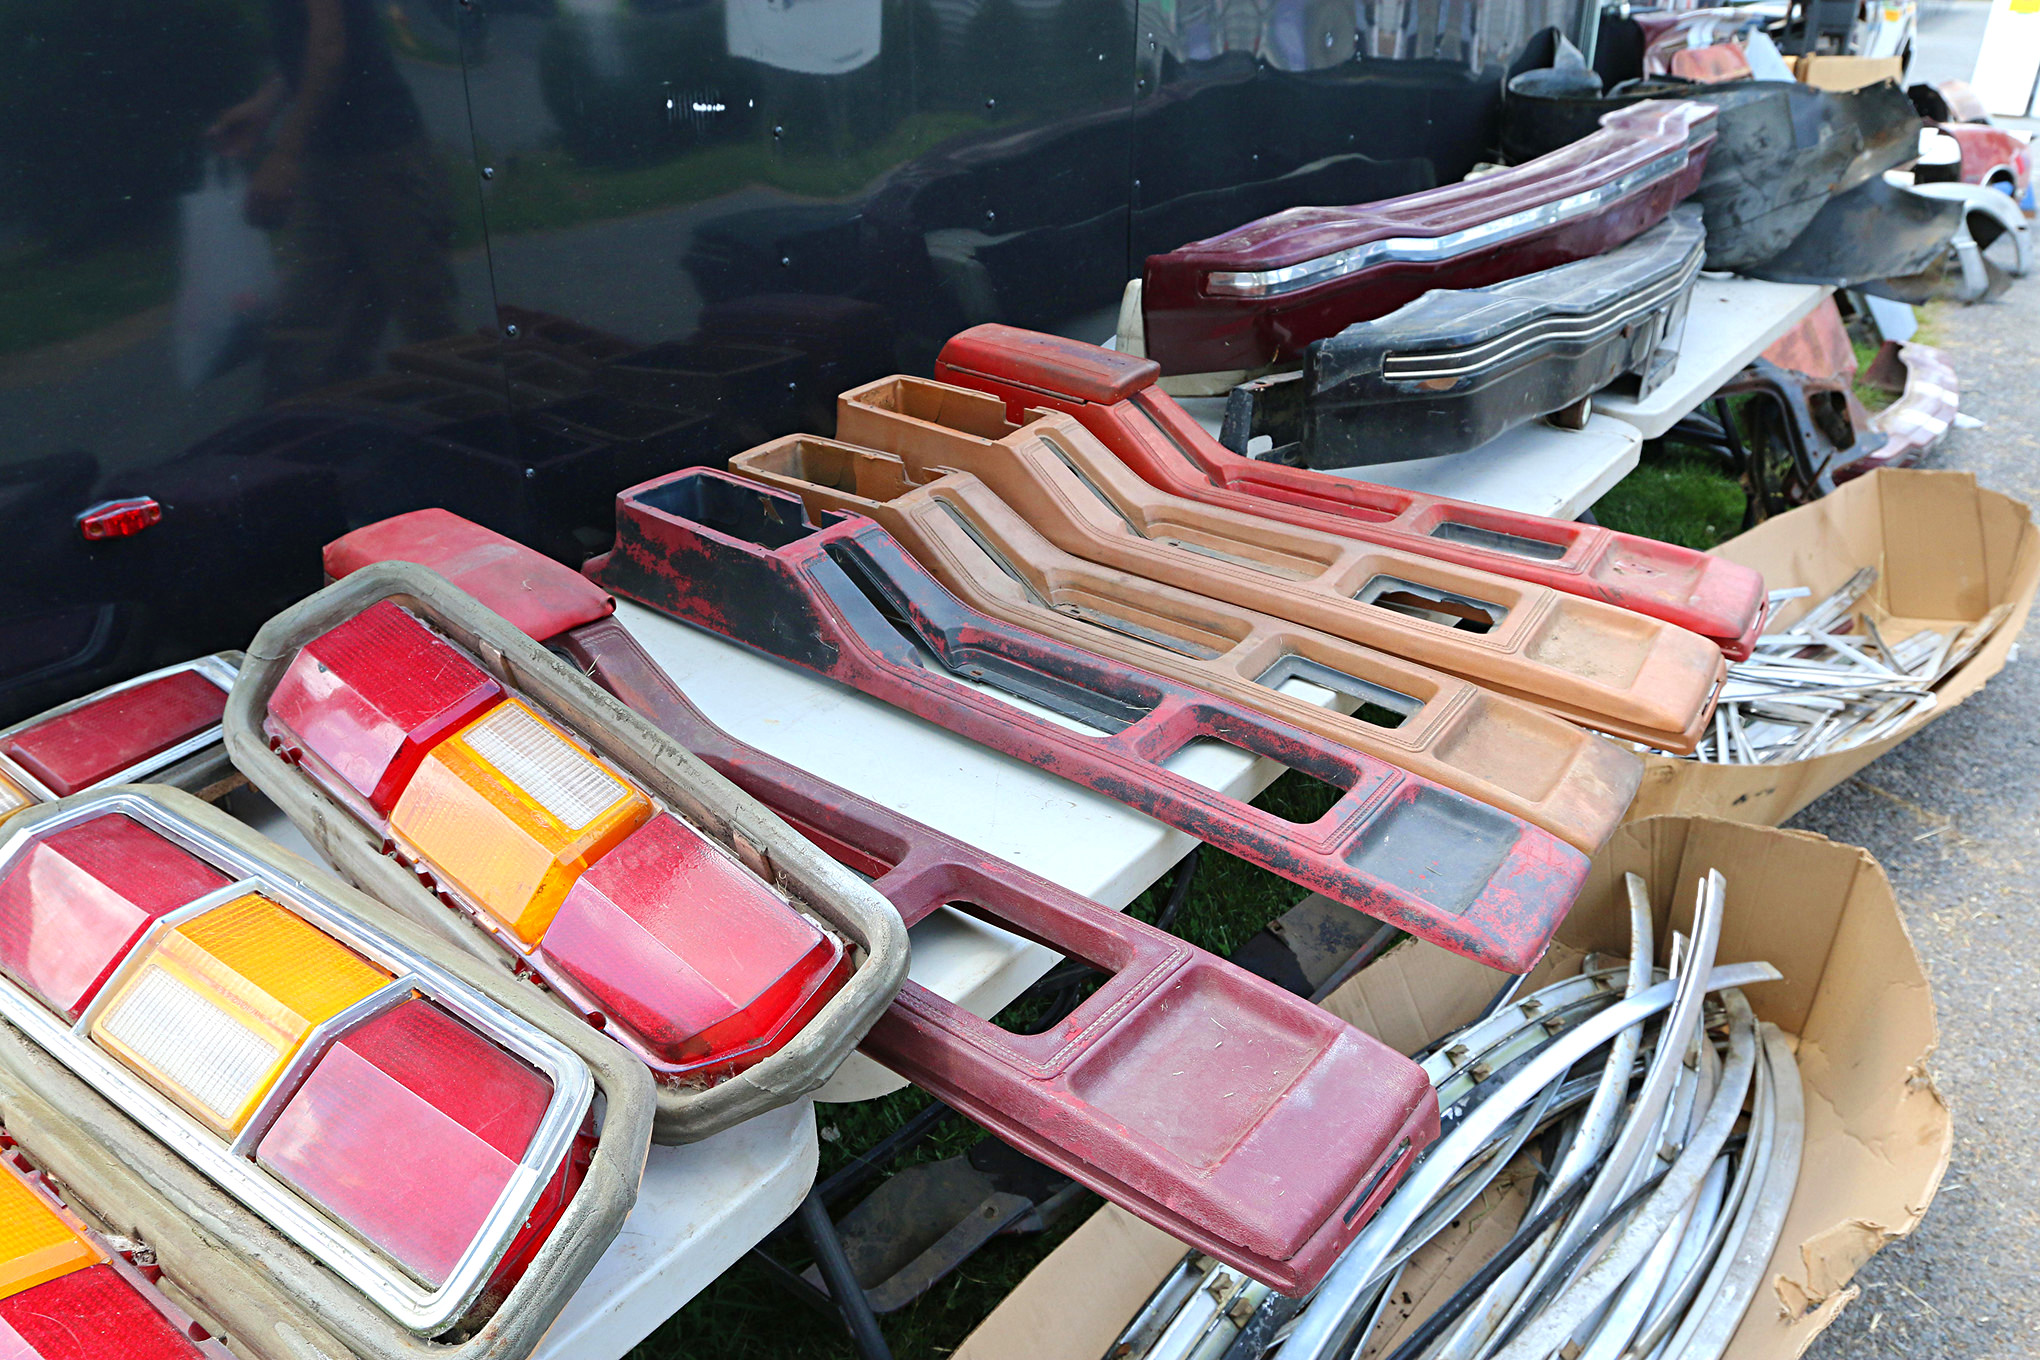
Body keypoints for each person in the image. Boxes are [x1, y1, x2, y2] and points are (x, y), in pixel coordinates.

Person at [208, 0, 459, 400]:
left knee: (432, 334)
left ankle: (474, 441)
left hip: (380, 160)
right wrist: (265, 105)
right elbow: (317, 40)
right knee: (309, 335)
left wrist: (284, 154)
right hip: (326, 161)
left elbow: (329, 47)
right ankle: (318, 441)